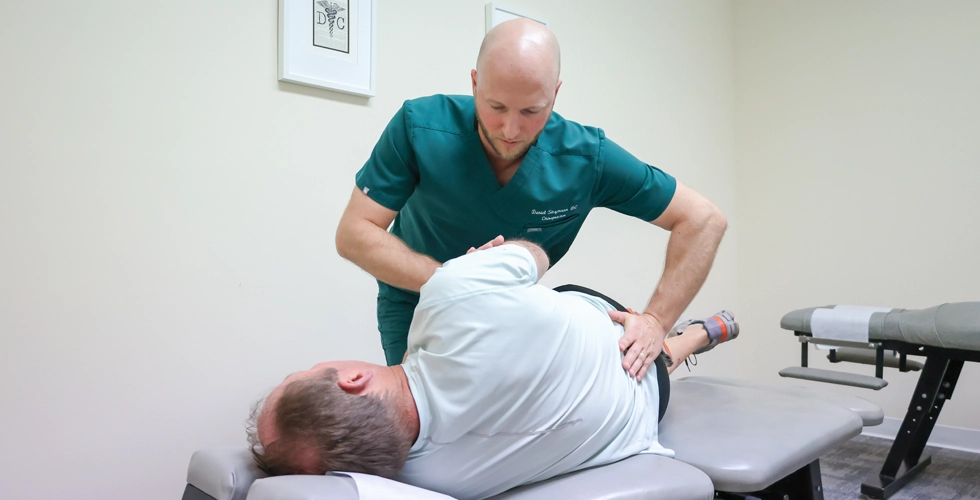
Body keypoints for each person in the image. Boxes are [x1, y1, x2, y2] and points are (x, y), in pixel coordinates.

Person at [335, 18, 728, 379]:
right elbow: (354, 233)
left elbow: (704, 219)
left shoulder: (586, 157)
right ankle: (692, 337)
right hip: (418, 303)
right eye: (495, 106)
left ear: (555, 94)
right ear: (474, 84)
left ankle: (686, 337)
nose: (510, 128)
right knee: (426, 438)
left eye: (531, 111)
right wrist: (456, 283)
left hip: (515, 315)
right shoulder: (419, 127)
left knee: (619, 384)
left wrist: (657, 322)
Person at [248, 240, 738, 500]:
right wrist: (474, 267)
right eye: (308, 371)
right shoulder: (448, 294)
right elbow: (536, 257)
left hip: (647, 410)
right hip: (619, 333)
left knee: (653, 363)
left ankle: (689, 339)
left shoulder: (427, 483)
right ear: (353, 380)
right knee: (567, 301)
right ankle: (687, 336)